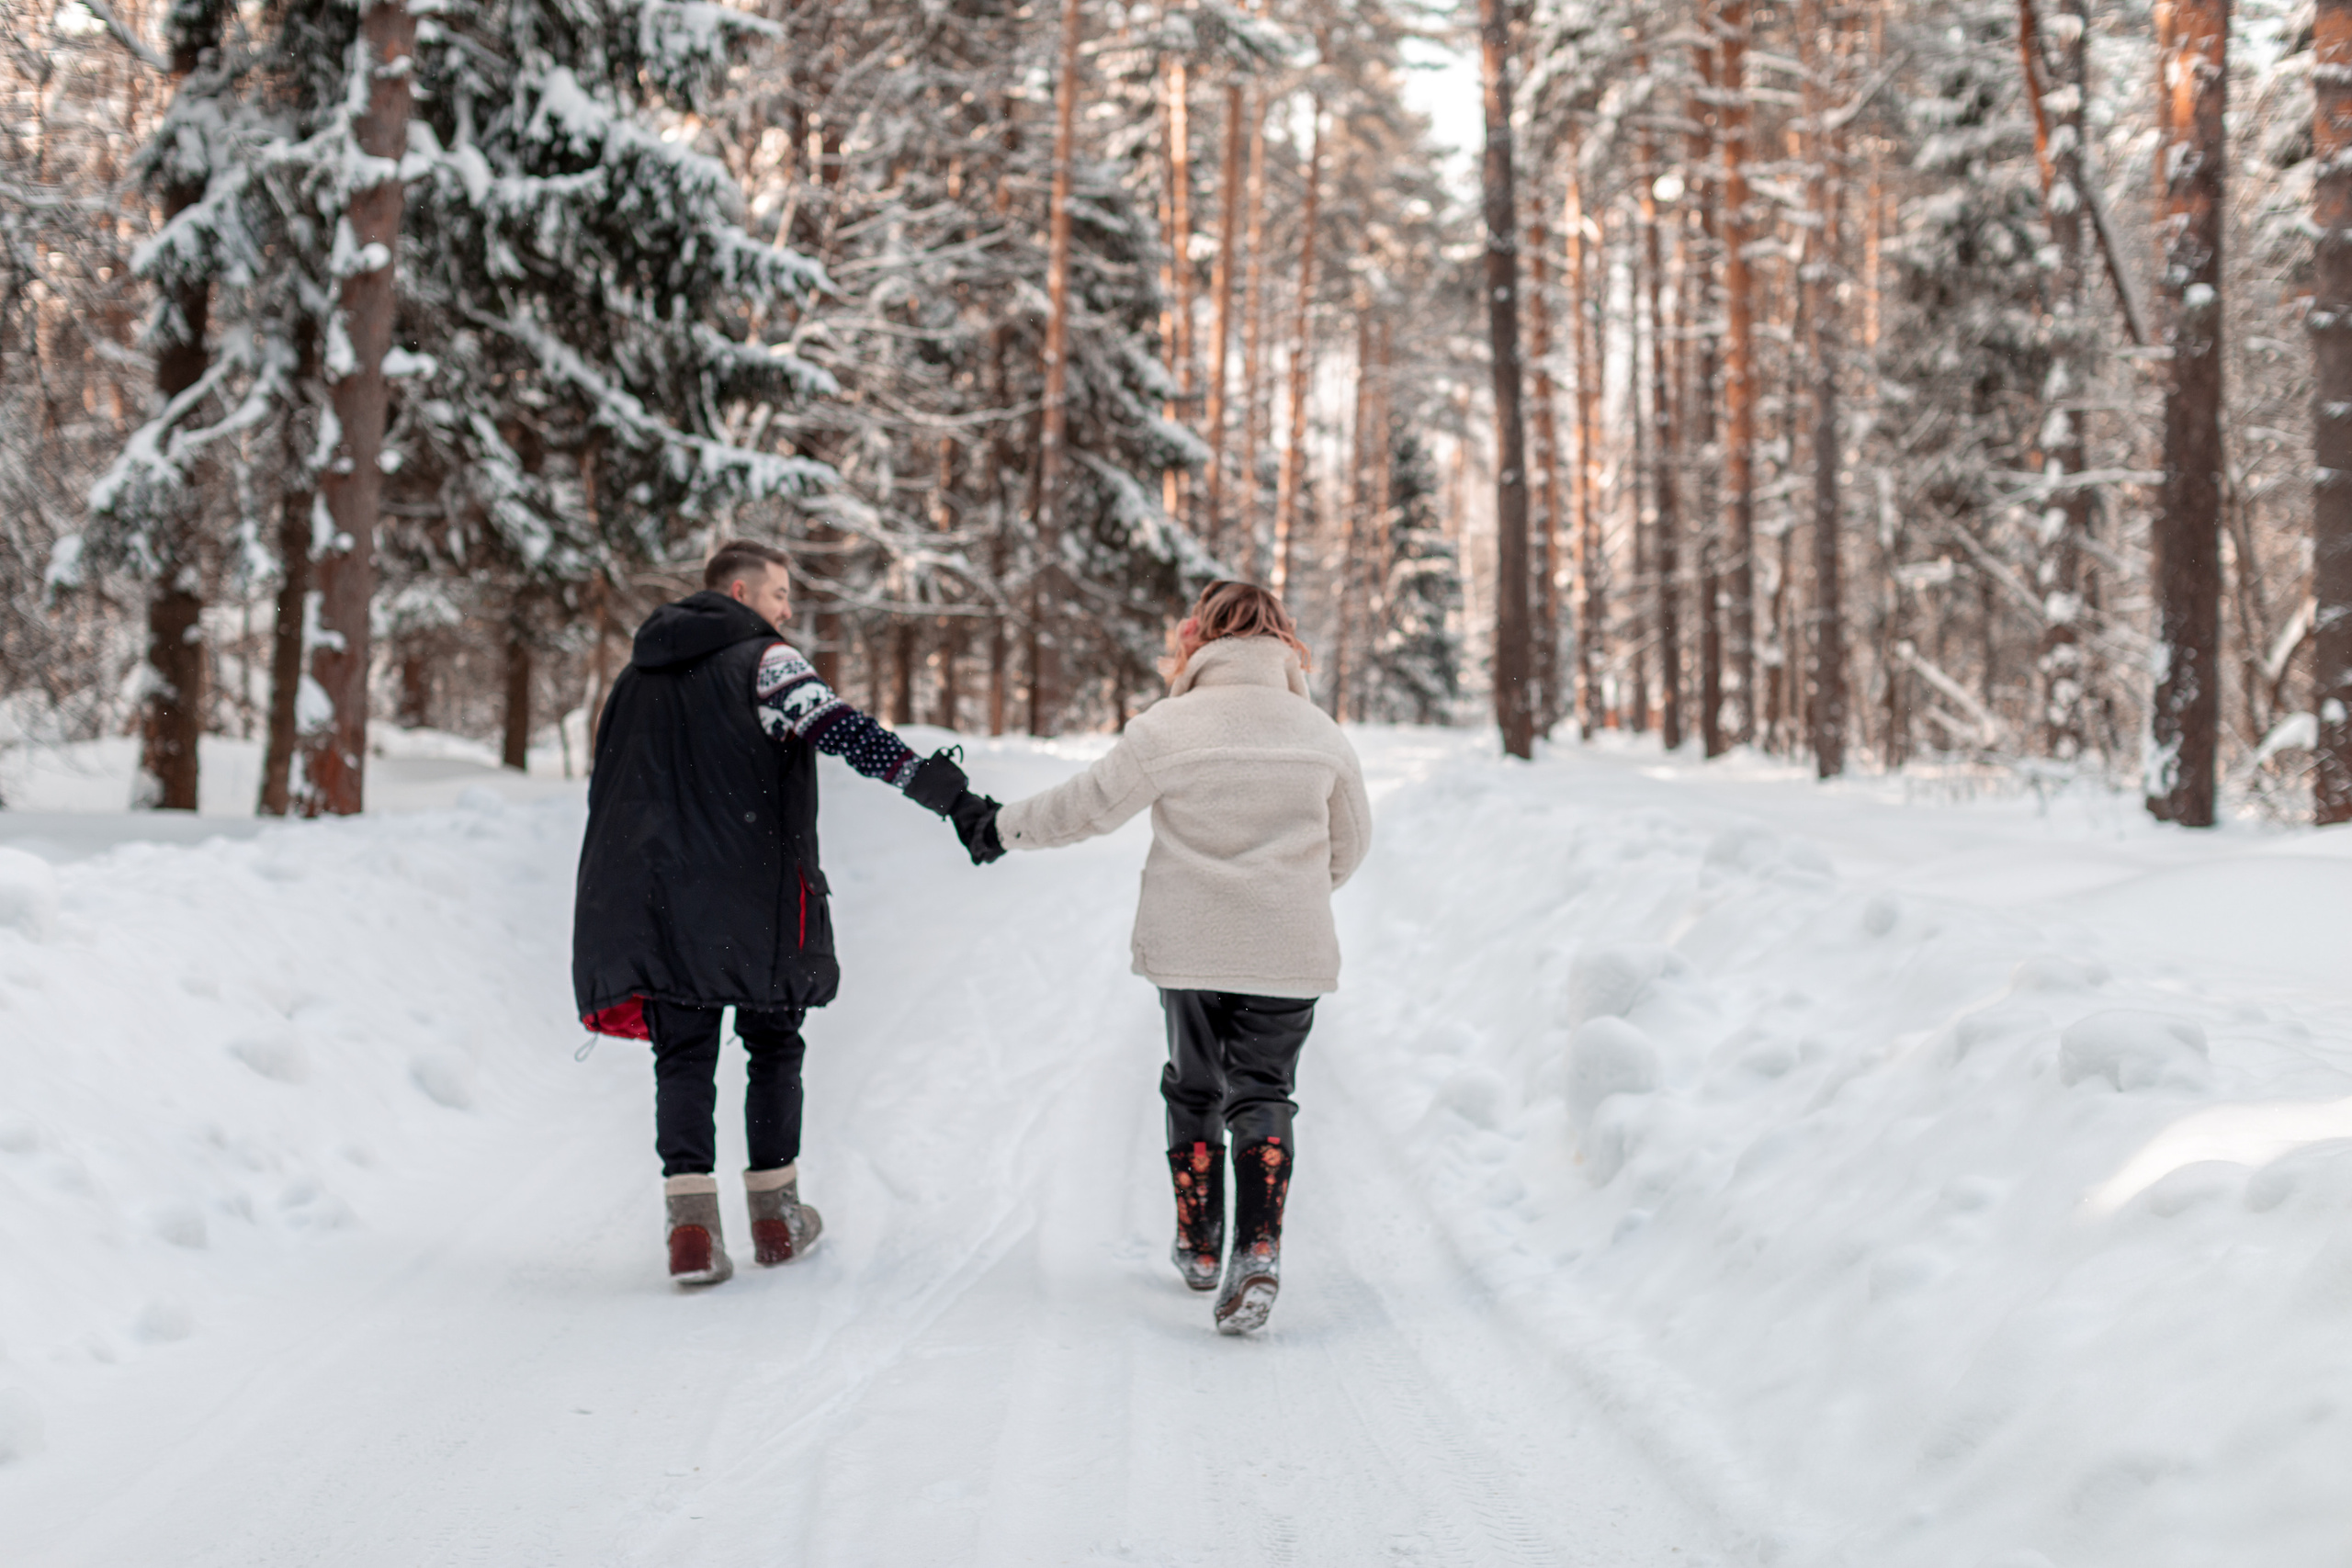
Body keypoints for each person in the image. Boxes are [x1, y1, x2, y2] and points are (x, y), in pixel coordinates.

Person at [572, 540, 1002, 1286]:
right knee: (772, 1044)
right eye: (779, 593)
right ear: (740, 592)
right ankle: (775, 1216)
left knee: (682, 1054)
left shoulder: (635, 676)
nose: (788, 608)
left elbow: (608, 786)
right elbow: (848, 733)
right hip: (753, 893)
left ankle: (691, 1230)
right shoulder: (766, 661)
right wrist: (953, 799)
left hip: (653, 895)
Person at [978, 581, 1371, 1333]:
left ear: (1202, 636)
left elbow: (1084, 807)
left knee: (1194, 1087)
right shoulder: (1321, 734)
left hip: (1191, 949)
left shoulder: (1170, 727)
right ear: (1283, 641)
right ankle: (1257, 1249)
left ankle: (1200, 1242)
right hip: (1287, 947)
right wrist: (1289, 896)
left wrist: (999, 827)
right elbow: (1350, 846)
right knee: (1264, 1091)